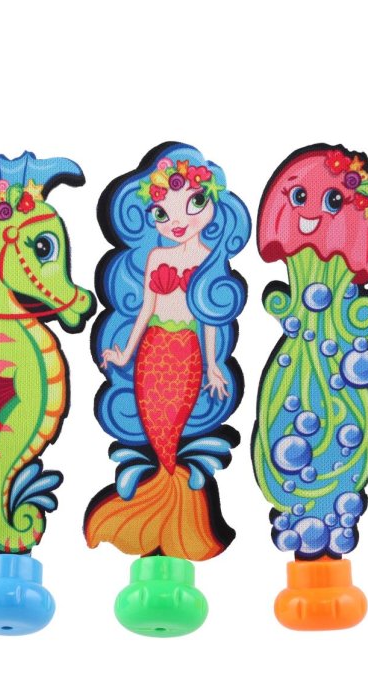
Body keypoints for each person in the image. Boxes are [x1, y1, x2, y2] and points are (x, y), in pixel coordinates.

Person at [86, 145, 249, 561]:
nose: (177, 222)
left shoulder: (210, 258)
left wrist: (213, 365)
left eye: (193, 205)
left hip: (187, 355)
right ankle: (159, 511)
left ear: (211, 204)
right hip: (152, 353)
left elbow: (209, 317)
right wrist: (125, 354)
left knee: (174, 431)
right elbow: (145, 310)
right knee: (155, 427)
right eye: (162, 212)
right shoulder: (156, 255)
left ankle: (176, 515)